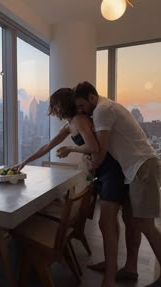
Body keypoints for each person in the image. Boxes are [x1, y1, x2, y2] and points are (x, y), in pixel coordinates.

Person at [15, 88, 132, 282]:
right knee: (110, 223)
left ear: (60, 105)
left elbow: (93, 147)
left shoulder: (80, 120)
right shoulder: (71, 124)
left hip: (111, 171)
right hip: (103, 171)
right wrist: (24, 161)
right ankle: (110, 265)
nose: (54, 110)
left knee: (106, 223)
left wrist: (70, 148)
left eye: (55, 105)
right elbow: (47, 146)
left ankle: (109, 278)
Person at [74, 81, 161, 287]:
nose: (80, 111)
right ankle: (131, 269)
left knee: (145, 224)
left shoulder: (102, 110)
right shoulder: (107, 107)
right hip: (136, 169)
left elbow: (101, 150)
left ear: (91, 98)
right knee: (133, 223)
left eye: (82, 106)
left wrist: (92, 167)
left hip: (142, 167)